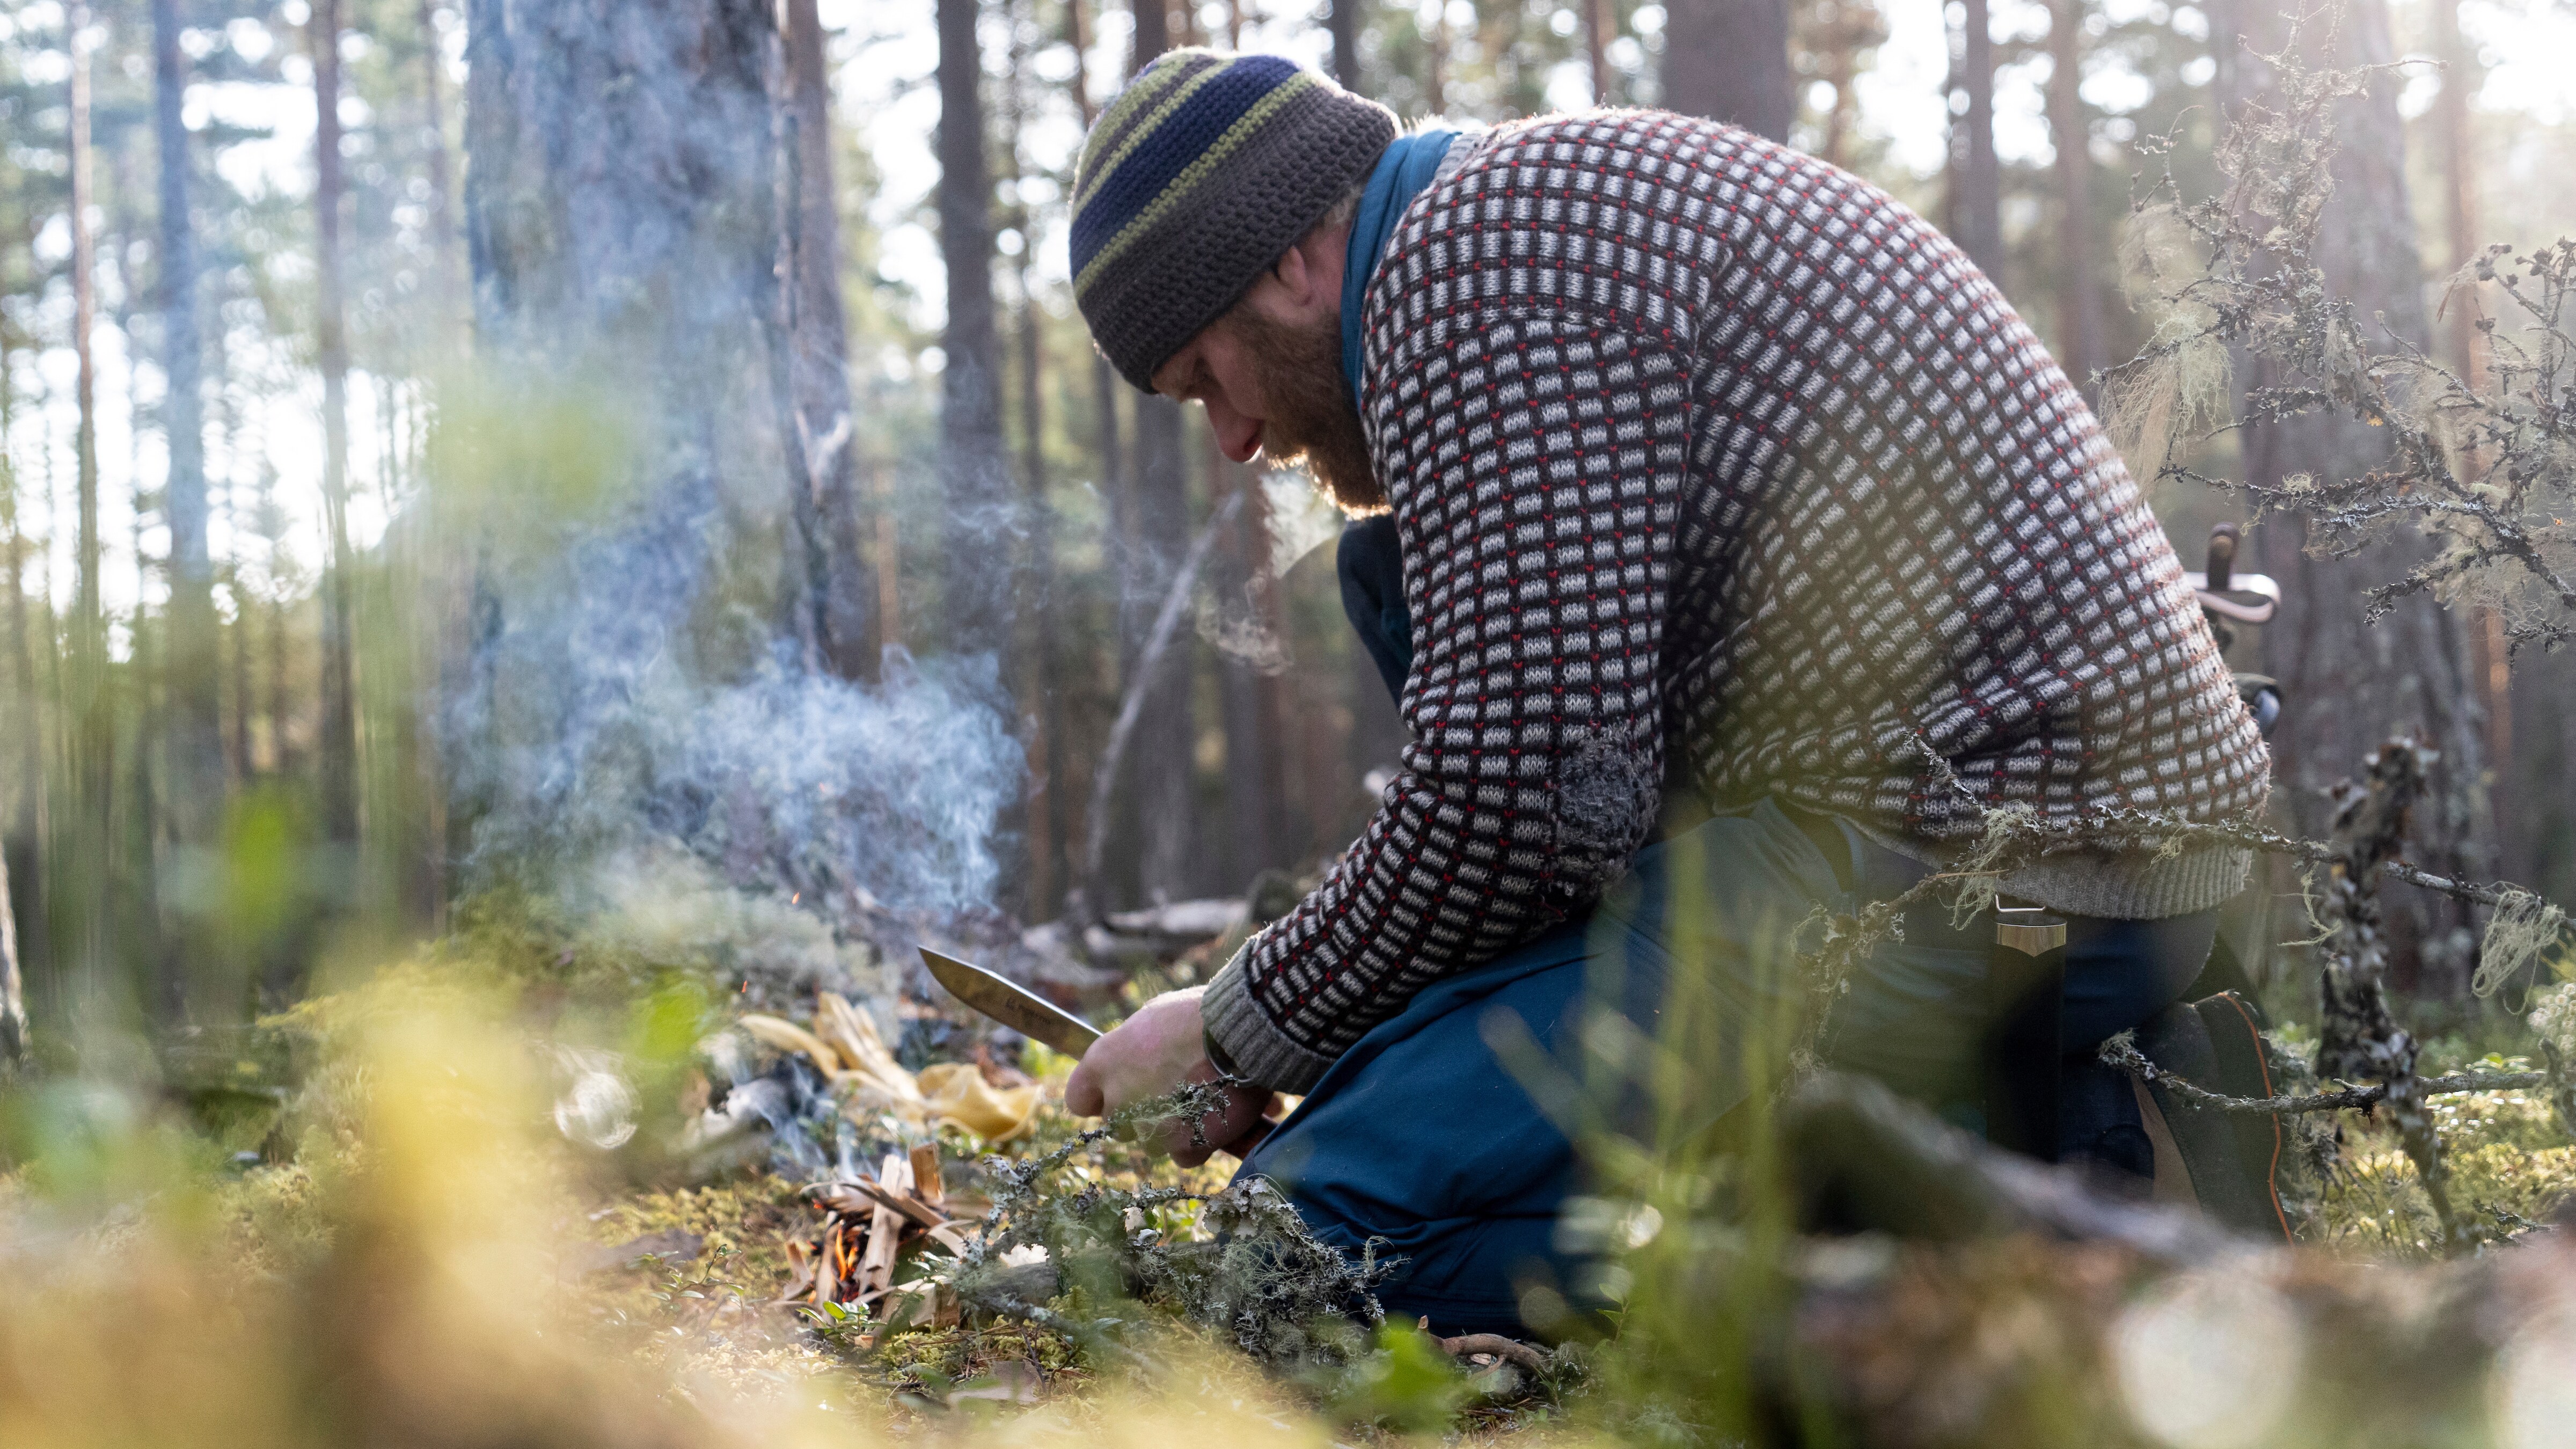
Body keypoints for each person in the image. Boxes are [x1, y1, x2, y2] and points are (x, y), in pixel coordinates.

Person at [1058, 49, 2271, 1335]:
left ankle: (1981, 1251)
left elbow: (1519, 802)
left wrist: (1240, 1025)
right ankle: (1976, 1146)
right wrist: (1371, 1043)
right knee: (1388, 570)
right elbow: (1548, 781)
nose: (1235, 440)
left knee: (1298, 1249)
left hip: (1985, 875)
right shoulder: (1505, 220)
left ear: (1290, 269)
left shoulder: (1475, 271)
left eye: (1207, 379)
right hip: (1991, 844)